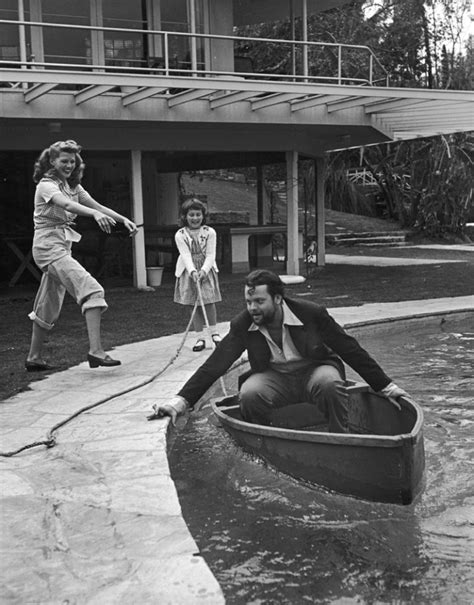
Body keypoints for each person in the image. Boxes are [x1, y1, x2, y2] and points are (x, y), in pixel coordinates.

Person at [152, 269, 410, 432]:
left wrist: (385, 385)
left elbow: (349, 348)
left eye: (259, 301)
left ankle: (339, 436)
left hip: (314, 370)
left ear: (278, 299)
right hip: (274, 377)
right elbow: (216, 363)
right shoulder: (243, 323)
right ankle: (266, 438)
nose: (252, 307)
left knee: (330, 383)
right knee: (250, 393)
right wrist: (181, 401)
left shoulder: (311, 314)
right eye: (248, 301)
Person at [25, 139, 137, 371]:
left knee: (48, 304)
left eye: (72, 162)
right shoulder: (46, 185)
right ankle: (96, 352)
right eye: (64, 161)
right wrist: (93, 216)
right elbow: (66, 204)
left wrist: (122, 218)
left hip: (62, 247)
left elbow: (97, 205)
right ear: (52, 161)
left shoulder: (73, 186)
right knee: (92, 290)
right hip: (48, 247)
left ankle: (33, 358)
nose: (68, 165)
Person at [174, 198, 222, 352]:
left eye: (198, 215)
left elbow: (210, 254)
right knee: (193, 304)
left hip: (206, 270)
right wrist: (193, 271)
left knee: (208, 301)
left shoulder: (210, 232)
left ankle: (214, 334)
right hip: (188, 272)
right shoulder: (180, 234)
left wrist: (203, 271)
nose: (195, 218)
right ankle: (199, 338)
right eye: (191, 215)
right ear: (185, 216)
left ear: (203, 215)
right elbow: (186, 255)